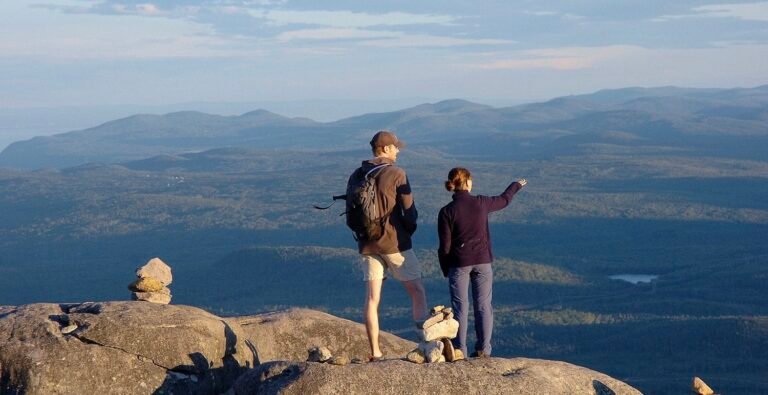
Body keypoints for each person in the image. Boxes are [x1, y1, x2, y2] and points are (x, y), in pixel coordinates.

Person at [348, 130, 428, 361]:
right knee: (417, 292)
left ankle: (375, 352)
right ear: (385, 149)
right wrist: (407, 232)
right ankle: (425, 345)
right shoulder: (396, 173)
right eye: (394, 146)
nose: (398, 150)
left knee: (372, 298)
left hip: (366, 244)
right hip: (395, 243)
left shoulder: (357, 174)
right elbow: (409, 211)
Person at [437, 167, 526, 358]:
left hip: (458, 264)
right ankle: (483, 350)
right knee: (484, 306)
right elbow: (504, 200)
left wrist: (446, 269)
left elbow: (444, 246)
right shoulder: (481, 203)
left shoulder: (446, 212)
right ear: (468, 183)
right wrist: (516, 185)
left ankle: (459, 349)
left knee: (461, 307)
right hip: (483, 261)